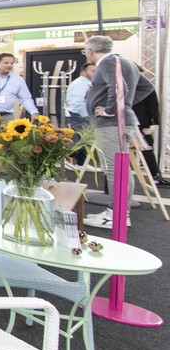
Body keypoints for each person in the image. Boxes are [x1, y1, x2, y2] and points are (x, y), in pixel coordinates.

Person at [83, 34, 154, 227]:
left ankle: (116, 216)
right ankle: (119, 213)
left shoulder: (107, 64)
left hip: (112, 124)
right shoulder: (125, 63)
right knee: (121, 169)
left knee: (114, 170)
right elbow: (147, 87)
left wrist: (110, 109)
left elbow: (119, 87)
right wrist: (126, 104)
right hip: (119, 122)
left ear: (89, 51)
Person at [133, 66, 166, 186]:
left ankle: (155, 175)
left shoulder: (146, 87)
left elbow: (153, 106)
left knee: (146, 146)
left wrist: (153, 123)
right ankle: (155, 175)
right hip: (131, 120)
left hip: (142, 121)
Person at [65, 61, 95, 166]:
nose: (95, 73)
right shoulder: (82, 84)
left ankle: (81, 163)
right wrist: (85, 115)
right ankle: (68, 160)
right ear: (83, 73)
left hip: (78, 114)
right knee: (80, 140)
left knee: (84, 140)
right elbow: (78, 102)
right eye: (92, 71)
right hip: (77, 115)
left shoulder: (84, 83)